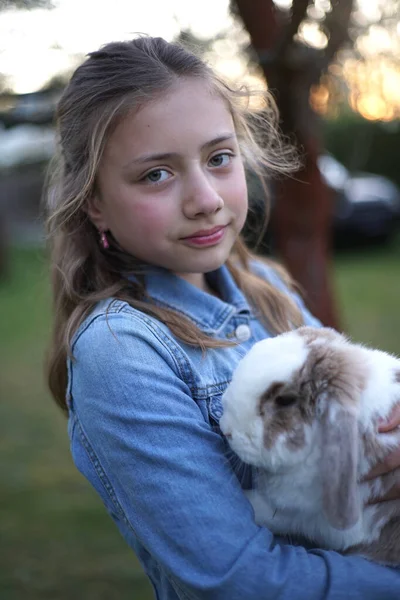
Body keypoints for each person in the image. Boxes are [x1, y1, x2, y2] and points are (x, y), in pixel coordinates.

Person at [44, 36, 400, 599]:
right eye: (155, 175)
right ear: (95, 202)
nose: (206, 198)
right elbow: (239, 580)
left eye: (219, 157)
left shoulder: (269, 288)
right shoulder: (123, 350)